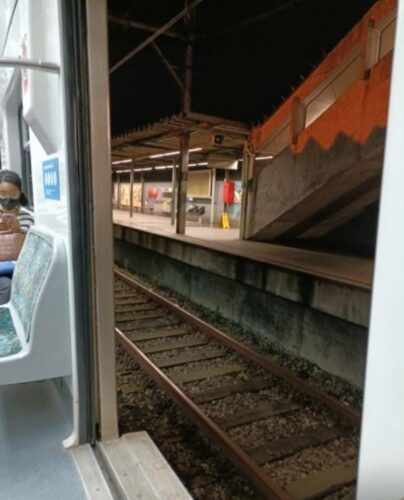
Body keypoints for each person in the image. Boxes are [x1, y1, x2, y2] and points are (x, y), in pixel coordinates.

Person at [0, 170, 34, 305]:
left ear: (20, 194)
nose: (8, 200)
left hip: (21, 268)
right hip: (3, 271)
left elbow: (31, 247)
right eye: (2, 194)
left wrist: (18, 230)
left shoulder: (27, 217)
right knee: (6, 286)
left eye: (13, 195)